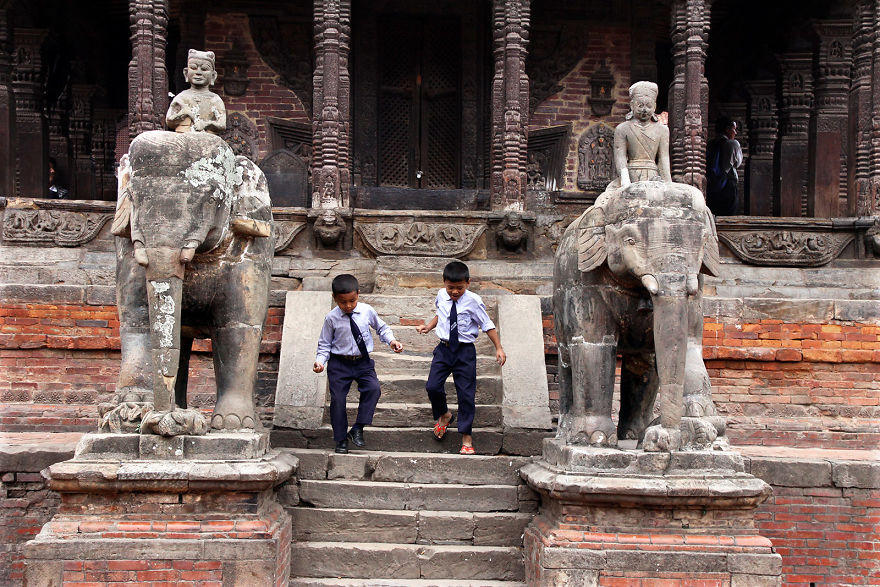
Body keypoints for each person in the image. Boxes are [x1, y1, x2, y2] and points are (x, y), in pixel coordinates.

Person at [416, 261, 506, 455]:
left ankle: (466, 437)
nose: (454, 292)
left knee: (466, 394)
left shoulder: (473, 301)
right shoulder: (441, 295)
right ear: (444, 283)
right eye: (450, 288)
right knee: (432, 386)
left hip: (465, 352)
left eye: (459, 288)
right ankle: (445, 414)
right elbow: (442, 315)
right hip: (444, 349)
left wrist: (498, 348)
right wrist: (428, 326)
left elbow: (487, 324)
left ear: (468, 283)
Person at [313, 274, 404, 454]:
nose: (348, 306)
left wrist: (391, 341)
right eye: (342, 302)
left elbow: (382, 328)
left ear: (358, 295)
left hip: (362, 362)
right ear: (334, 298)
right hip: (339, 364)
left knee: (373, 389)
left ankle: (358, 428)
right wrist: (320, 362)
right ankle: (341, 440)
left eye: (352, 301)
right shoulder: (331, 318)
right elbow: (324, 343)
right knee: (338, 401)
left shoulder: (367, 311)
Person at [612, 80, 671, 188]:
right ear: (632, 105)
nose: (644, 110)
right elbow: (620, 158)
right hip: (631, 176)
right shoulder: (622, 129)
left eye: (648, 106)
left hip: (654, 177)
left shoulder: (663, 130)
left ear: (654, 106)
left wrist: (668, 183)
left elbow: (664, 159)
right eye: (640, 106)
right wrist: (626, 182)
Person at [166, 49, 227, 134]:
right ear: (186, 73)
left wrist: (206, 124)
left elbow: (222, 124)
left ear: (213, 76)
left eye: (204, 69)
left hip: (206, 139)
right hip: (183, 137)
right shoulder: (182, 97)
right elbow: (169, 120)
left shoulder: (215, 99)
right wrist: (183, 113)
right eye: (193, 68)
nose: (198, 72)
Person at [705, 117, 743, 216]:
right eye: (734, 129)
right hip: (728, 182)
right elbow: (737, 163)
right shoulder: (732, 143)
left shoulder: (710, 144)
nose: (735, 133)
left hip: (712, 183)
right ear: (727, 129)